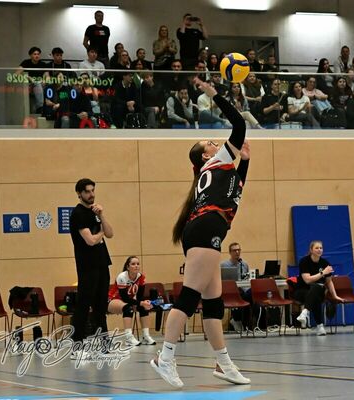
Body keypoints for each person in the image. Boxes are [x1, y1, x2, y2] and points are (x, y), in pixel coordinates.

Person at [150, 77, 251, 387]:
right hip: (206, 229)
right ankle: (165, 357)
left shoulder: (216, 172)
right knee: (189, 296)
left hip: (206, 229)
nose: (215, 143)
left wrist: (245, 161)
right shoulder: (216, 162)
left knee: (213, 303)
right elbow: (239, 125)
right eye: (210, 143)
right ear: (207, 155)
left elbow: (236, 190)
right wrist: (214, 94)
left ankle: (223, 365)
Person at [69, 178, 113, 356]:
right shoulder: (78, 214)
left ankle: (104, 344)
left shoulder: (95, 212)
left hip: (102, 263)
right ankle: (77, 347)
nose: (91, 194)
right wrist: (100, 232)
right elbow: (90, 240)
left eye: (93, 190)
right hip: (87, 265)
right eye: (87, 191)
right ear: (79, 194)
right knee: (83, 305)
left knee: (101, 306)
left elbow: (110, 233)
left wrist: (101, 215)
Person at [294, 240, 343, 336]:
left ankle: (305, 312)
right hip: (302, 290)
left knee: (316, 288)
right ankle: (320, 326)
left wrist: (335, 295)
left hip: (319, 291)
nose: (319, 250)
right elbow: (307, 280)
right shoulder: (304, 261)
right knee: (315, 295)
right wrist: (323, 273)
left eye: (321, 248)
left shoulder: (325, 263)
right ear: (311, 250)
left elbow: (329, 282)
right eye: (316, 248)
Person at [107, 256, 156, 346]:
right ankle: (128, 338)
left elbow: (140, 297)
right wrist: (140, 303)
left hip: (127, 301)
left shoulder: (141, 277)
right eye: (133, 264)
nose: (136, 266)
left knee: (143, 307)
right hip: (113, 300)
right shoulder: (122, 277)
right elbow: (124, 298)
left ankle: (146, 336)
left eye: (138, 264)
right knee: (128, 308)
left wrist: (145, 303)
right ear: (128, 267)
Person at [220, 242, 251, 332]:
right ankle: (237, 320)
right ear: (230, 252)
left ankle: (245, 323)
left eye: (238, 250)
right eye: (234, 250)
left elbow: (247, 278)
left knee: (251, 297)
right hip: (230, 292)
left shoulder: (244, 264)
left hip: (244, 290)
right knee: (241, 296)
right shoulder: (224, 265)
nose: (237, 252)